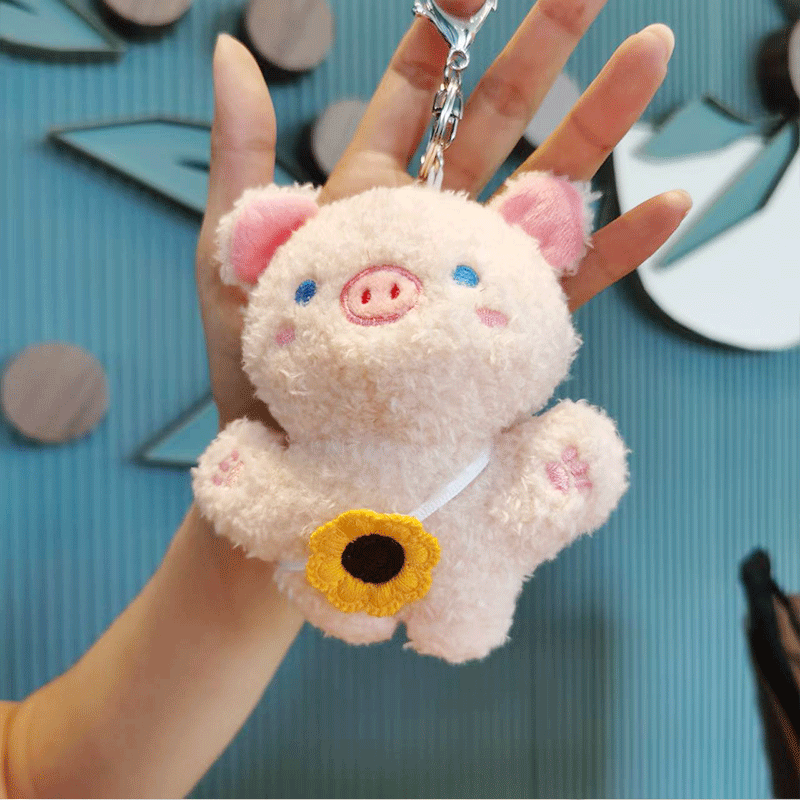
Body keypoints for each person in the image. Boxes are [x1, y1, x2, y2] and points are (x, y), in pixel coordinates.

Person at [0, 1, 691, 796]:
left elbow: (36, 777)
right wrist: (248, 481)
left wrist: (562, 468)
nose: (382, 296)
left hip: (452, 547)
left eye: (468, 277)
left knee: (470, 603)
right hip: (330, 552)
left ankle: (462, 612)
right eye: (310, 288)